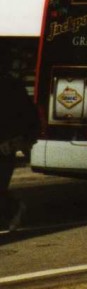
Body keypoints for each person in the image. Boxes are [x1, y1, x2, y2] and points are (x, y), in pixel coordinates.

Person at [0, 70, 39, 231]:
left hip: (6, 144)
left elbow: (26, 116)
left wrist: (17, 140)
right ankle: (13, 209)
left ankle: (14, 208)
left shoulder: (9, 85)